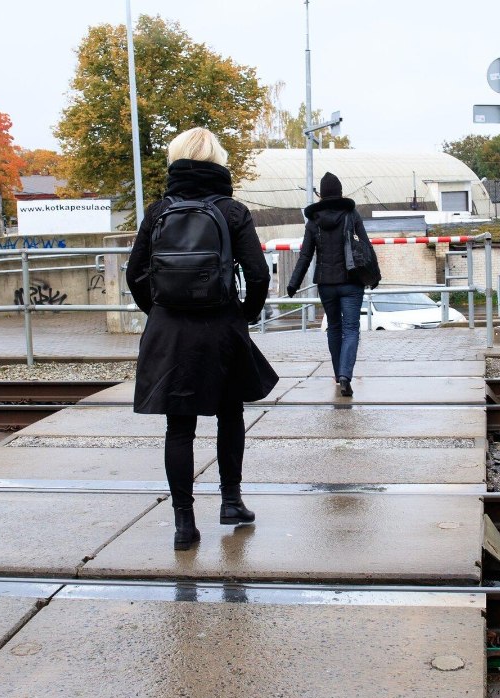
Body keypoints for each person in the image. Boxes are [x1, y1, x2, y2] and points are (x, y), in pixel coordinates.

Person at [126, 127, 278, 552]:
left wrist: (158, 310)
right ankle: (231, 502)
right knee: (230, 414)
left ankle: (183, 524)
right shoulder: (232, 211)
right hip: (222, 329)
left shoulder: (158, 211)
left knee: (180, 426)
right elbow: (259, 275)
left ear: (176, 160)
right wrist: (243, 314)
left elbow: (134, 274)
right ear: (218, 161)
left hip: (170, 330)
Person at [286, 172, 370, 397]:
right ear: (340, 193)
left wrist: (293, 284)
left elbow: (305, 256)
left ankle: (338, 375)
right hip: (352, 283)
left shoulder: (314, 222)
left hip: (326, 284)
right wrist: (374, 276)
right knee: (351, 328)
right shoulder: (351, 215)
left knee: (334, 327)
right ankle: (345, 376)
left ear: (321, 195)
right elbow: (365, 246)